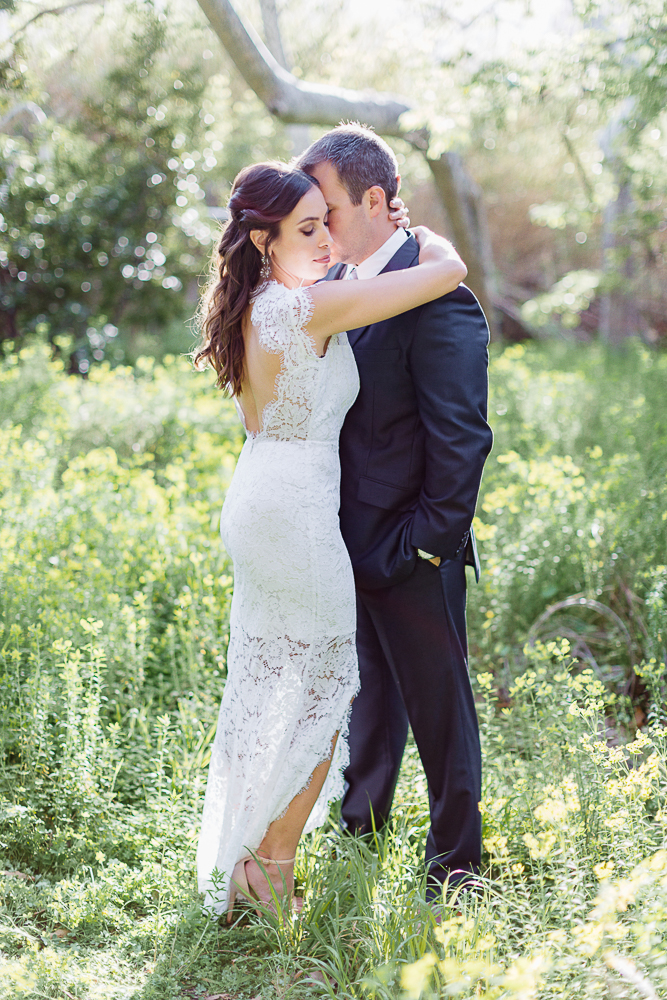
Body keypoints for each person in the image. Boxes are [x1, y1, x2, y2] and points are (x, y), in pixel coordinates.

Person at [194, 160, 468, 920]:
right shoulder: (309, 306)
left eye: (327, 221)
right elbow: (446, 273)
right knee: (324, 690)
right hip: (295, 513)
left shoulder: (255, 300)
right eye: (307, 228)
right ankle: (269, 869)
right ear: (263, 237)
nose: (326, 239)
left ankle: (251, 856)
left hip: (257, 495)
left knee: (267, 685)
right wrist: (416, 231)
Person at [297, 125, 493, 902]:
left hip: (412, 549)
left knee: (439, 707)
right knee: (368, 695)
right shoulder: (350, 283)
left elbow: (461, 437)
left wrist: (426, 547)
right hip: (347, 540)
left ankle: (457, 866)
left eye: (330, 210)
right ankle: (360, 830)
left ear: (376, 201)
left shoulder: (437, 293)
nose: (320, 229)